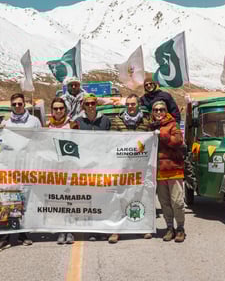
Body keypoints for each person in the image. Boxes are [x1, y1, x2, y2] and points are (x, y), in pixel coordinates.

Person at [0, 93, 41, 253]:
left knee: (25, 201)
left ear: (24, 104)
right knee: (8, 201)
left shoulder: (34, 121)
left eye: (20, 104)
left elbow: (41, 141)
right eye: (15, 104)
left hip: (27, 167)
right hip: (10, 168)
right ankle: (5, 237)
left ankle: (23, 233)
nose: (18, 106)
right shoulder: (6, 123)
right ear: (11, 106)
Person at [110, 93, 152, 241]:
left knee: (140, 196)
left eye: (133, 104)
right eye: (128, 104)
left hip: (140, 167)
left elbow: (150, 143)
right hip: (122, 166)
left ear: (138, 105)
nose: (130, 107)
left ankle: (142, 227)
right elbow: (111, 141)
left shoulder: (146, 122)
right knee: (119, 198)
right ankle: (116, 230)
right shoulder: (117, 121)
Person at [73, 93, 112, 243]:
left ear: (96, 104)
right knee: (89, 198)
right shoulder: (77, 121)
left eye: (93, 103)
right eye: (87, 104)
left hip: (102, 165)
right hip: (85, 166)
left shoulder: (105, 120)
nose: (90, 106)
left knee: (102, 198)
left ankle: (103, 228)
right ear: (83, 105)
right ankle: (92, 230)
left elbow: (112, 140)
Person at [150, 100, 186, 243]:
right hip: (159, 171)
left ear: (166, 111)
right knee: (164, 202)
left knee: (177, 201)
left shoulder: (172, 124)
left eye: (161, 109)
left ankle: (180, 228)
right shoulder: (150, 126)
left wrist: (162, 135)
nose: (159, 112)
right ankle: (170, 227)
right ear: (152, 112)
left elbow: (177, 141)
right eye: (156, 110)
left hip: (173, 169)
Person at [46, 97, 75, 245]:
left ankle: (70, 230)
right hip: (54, 169)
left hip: (70, 167)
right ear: (51, 111)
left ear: (65, 110)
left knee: (69, 199)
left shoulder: (73, 125)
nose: (58, 111)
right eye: (55, 108)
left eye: (61, 108)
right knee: (58, 199)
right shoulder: (47, 126)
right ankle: (60, 230)